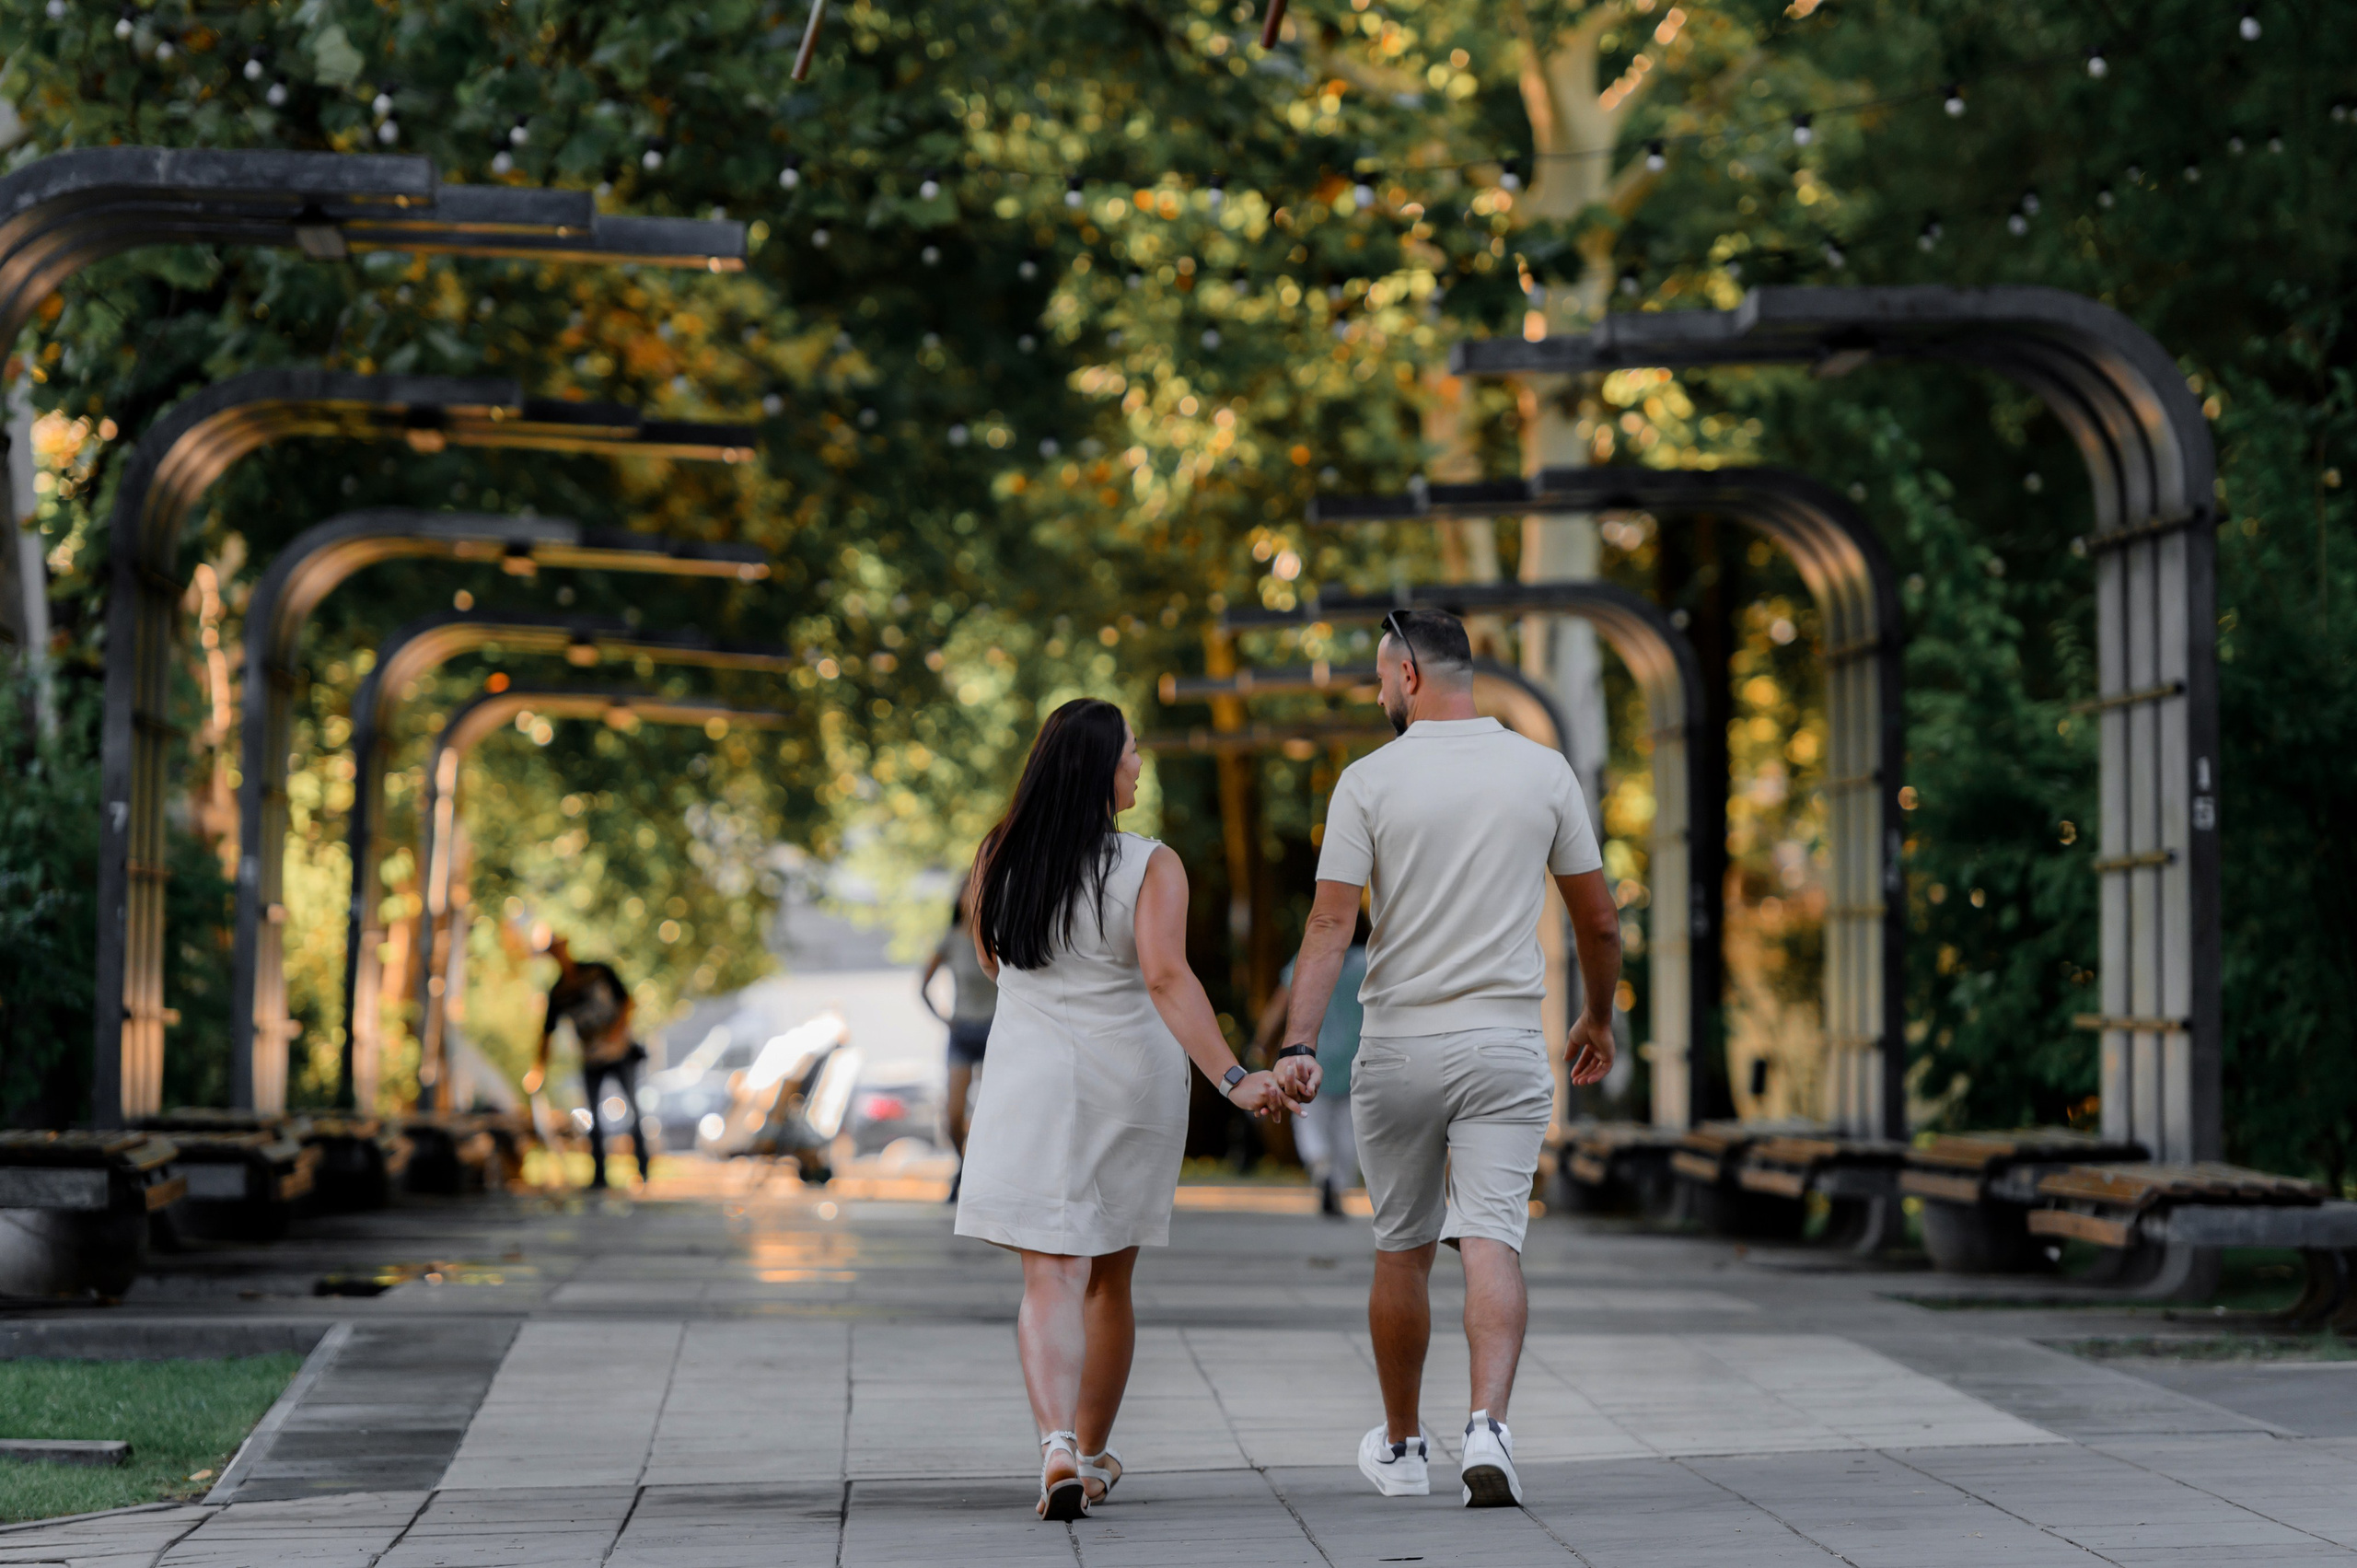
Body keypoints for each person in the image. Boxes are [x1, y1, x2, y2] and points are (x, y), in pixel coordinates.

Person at [1273, 609, 1622, 1509]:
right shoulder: (1542, 771)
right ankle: (1488, 1428)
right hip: (1505, 1041)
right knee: (1494, 1238)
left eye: (1381, 680)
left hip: (1397, 1046)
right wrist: (1594, 1017)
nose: (1379, 694)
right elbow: (1599, 918)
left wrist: (1299, 1042)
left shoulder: (1367, 780)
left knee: (1402, 1249)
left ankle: (1399, 1446)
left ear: (1410, 676)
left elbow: (1328, 922)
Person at [954, 698, 1298, 1521]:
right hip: (1128, 1079)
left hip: (1031, 1076)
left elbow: (995, 963)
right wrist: (1232, 1076)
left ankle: (1056, 1447)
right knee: (1109, 1275)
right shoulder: (1149, 863)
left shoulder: (998, 855)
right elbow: (1166, 978)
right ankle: (1094, 1450)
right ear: (1103, 767)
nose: (1140, 764)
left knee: (1050, 1271)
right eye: (1133, 752)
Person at [1252, 910, 1370, 1216]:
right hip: (1359, 1060)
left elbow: (1280, 1007)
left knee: (1308, 1120)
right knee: (1349, 1131)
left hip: (1311, 1058)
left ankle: (1321, 1167)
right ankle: (1340, 1185)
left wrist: (1260, 1043)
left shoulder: (1310, 960)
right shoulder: (1371, 963)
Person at [525, 935, 651, 1191]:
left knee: (633, 1111)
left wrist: (617, 1033)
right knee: (592, 1115)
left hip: (620, 1053)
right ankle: (600, 1177)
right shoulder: (559, 992)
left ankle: (643, 1171)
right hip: (591, 1059)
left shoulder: (598, 971)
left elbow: (628, 1001)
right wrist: (538, 1068)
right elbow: (547, 1034)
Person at [919, 870, 995, 1202]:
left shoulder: (999, 934)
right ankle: (961, 1164)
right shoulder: (951, 939)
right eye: (968, 890)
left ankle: (985, 1174)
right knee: (952, 1113)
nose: (972, 897)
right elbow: (922, 985)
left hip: (996, 1030)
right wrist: (944, 1019)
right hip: (962, 1031)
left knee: (991, 1111)